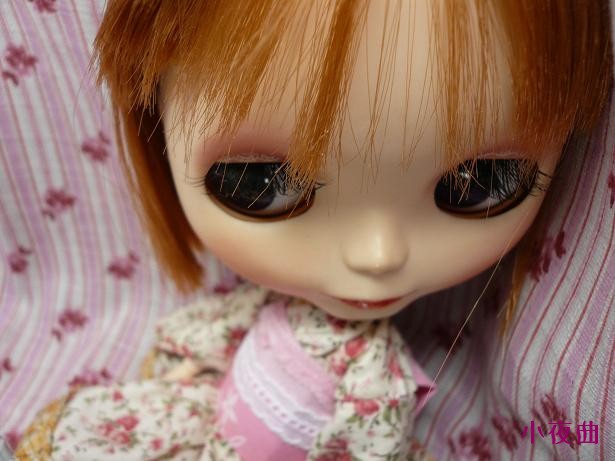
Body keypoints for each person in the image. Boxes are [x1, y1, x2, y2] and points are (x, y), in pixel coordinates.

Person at [15, 0, 612, 460]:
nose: (377, 256)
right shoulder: (256, 315)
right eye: (261, 183)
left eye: (479, 183)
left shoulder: (376, 376)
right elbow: (205, 345)